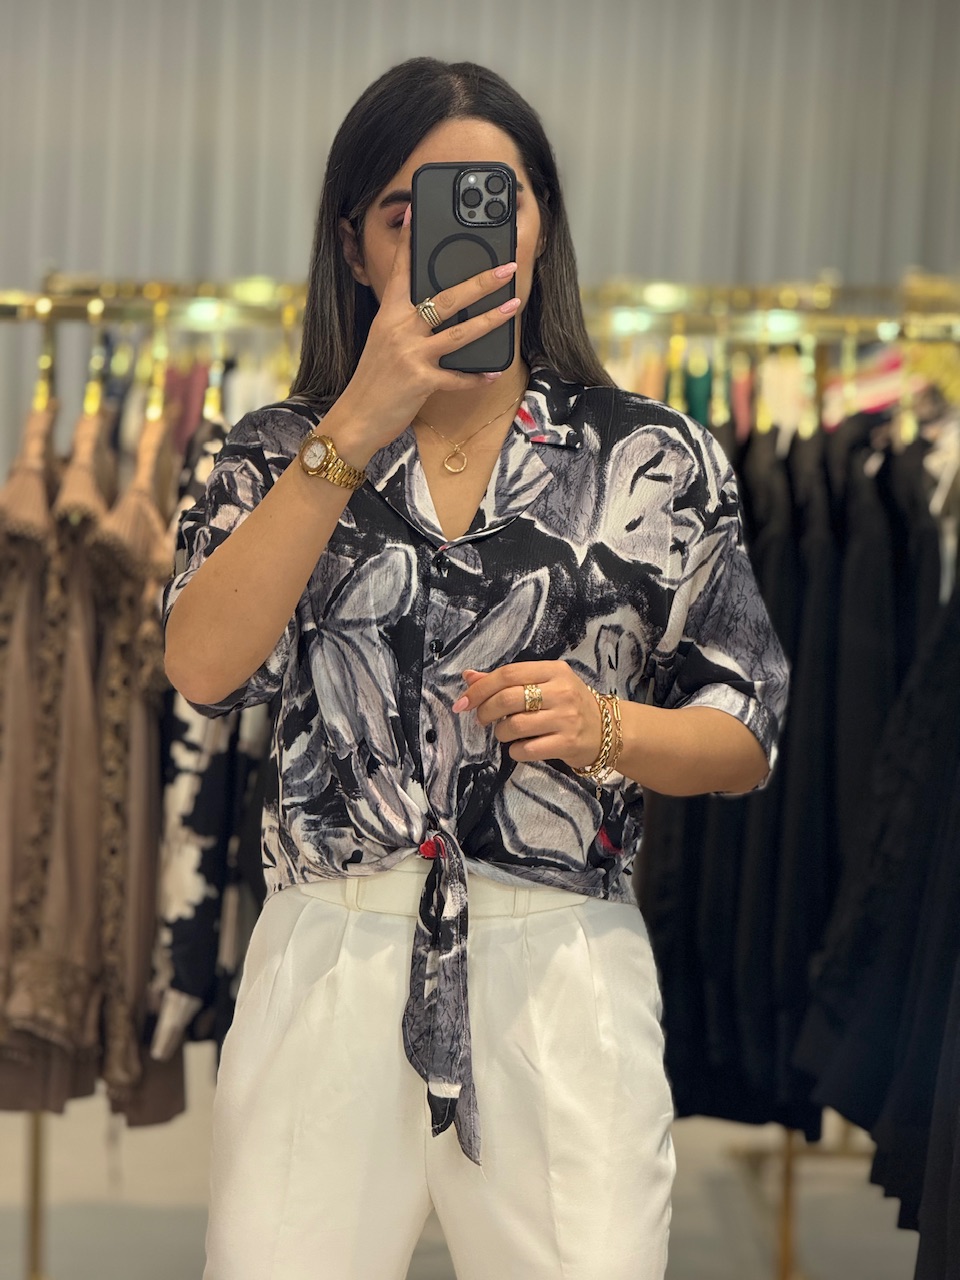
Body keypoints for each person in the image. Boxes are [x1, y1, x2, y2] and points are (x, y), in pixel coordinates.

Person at [163, 56, 787, 1280]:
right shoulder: (274, 451)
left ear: (539, 227)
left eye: (491, 202)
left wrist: (608, 729)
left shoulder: (648, 456)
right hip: (328, 951)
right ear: (354, 245)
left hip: (562, 964)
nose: (448, 237)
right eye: (404, 211)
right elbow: (202, 666)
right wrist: (355, 424)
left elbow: (747, 723)